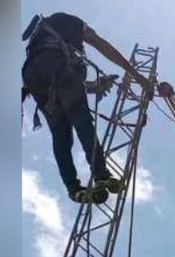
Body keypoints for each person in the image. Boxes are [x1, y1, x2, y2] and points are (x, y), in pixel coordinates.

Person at [22, 12, 154, 203]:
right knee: (81, 119)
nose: (81, 49)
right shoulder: (73, 24)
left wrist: (94, 85)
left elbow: (58, 85)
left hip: (34, 78)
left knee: (61, 136)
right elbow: (102, 46)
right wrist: (136, 75)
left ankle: (73, 189)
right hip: (54, 69)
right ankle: (101, 174)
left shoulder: (40, 38)